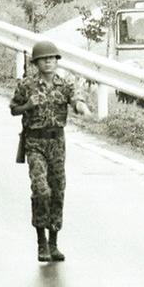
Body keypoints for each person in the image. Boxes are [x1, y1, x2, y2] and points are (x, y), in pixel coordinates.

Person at [10, 40, 91, 262]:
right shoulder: (27, 85)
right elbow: (13, 109)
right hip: (35, 142)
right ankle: (41, 241)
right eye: (44, 59)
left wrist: (81, 106)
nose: (48, 62)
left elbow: (76, 97)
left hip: (57, 143)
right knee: (41, 190)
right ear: (36, 62)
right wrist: (28, 105)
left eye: (52, 58)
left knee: (57, 190)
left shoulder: (64, 85)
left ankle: (54, 242)